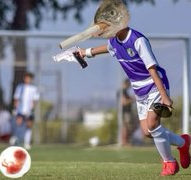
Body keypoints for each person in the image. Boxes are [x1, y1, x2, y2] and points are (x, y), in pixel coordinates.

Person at [76, 1, 190, 176]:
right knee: (147, 132)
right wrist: (85, 53)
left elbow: (152, 68)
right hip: (139, 92)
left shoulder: (137, 40)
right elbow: (106, 48)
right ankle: (183, 143)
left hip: (154, 85)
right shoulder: (114, 42)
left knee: (152, 124)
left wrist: (164, 97)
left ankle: (169, 163)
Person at [12, 72, 40, 150]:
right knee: (18, 124)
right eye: (26, 78)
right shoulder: (20, 87)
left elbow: (35, 100)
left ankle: (27, 143)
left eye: (29, 78)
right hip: (20, 110)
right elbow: (16, 98)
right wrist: (15, 109)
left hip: (29, 110)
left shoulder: (34, 88)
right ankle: (16, 140)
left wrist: (31, 109)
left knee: (28, 126)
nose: (27, 79)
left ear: (31, 79)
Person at [119, 79, 135, 146]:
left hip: (127, 112)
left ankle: (126, 141)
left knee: (128, 126)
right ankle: (124, 141)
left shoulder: (125, 92)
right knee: (126, 127)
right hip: (125, 112)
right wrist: (133, 100)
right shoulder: (122, 91)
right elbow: (123, 102)